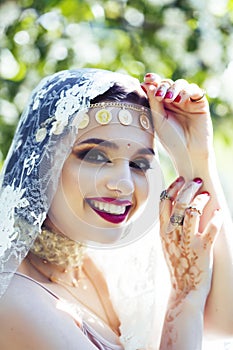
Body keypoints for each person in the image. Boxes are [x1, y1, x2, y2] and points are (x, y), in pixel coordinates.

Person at [0, 68, 232, 349]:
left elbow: (224, 320)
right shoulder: (17, 301)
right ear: (42, 164)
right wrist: (184, 302)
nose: (124, 184)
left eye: (139, 164)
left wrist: (197, 155)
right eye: (96, 156)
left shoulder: (100, 266)